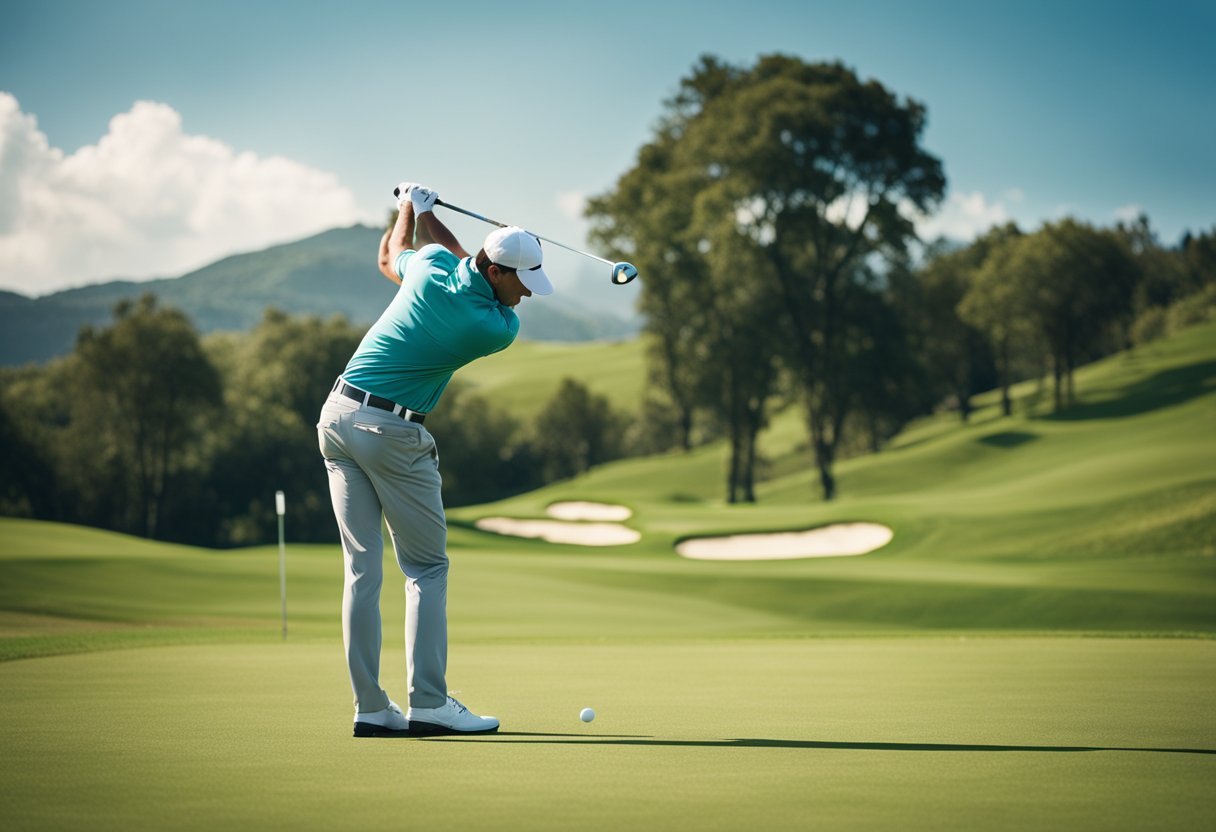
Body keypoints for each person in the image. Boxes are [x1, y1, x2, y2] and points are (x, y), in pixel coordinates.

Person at [316, 182, 553, 737]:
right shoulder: (496, 327)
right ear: (499, 275)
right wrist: (425, 217)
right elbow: (469, 259)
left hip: (336, 416)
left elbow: (396, 256)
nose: (530, 294)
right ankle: (428, 701)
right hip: (393, 432)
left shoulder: (428, 268)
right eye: (525, 281)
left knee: (361, 573)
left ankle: (371, 707)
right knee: (426, 568)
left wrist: (412, 210)